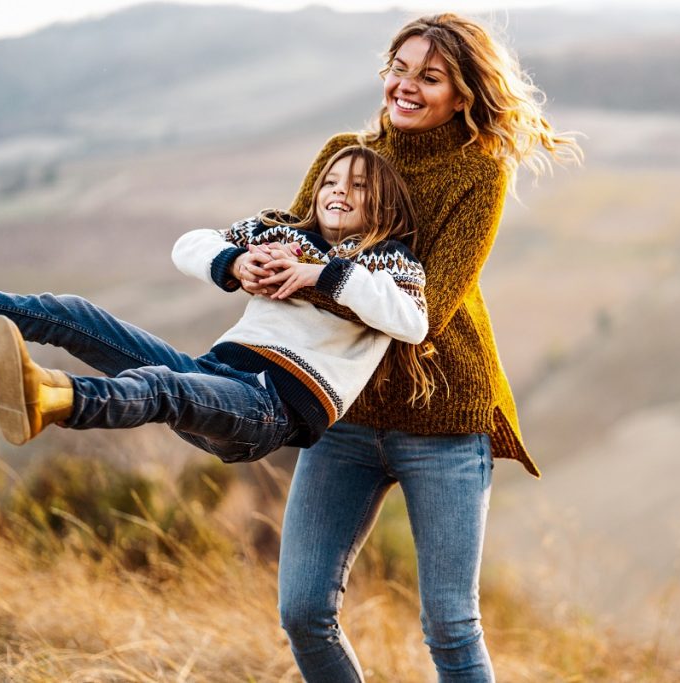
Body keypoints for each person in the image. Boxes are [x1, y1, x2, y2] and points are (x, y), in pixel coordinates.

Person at [225, 13, 582, 681]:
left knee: (449, 625)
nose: (406, 85)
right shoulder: (345, 152)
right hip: (345, 412)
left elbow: (428, 308)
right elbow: (301, 239)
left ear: (463, 94)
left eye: (431, 76)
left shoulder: (479, 175)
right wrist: (246, 258)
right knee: (303, 609)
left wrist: (316, 275)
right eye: (399, 67)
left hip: (444, 420)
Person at [0, 146, 430, 464]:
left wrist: (318, 274)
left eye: (358, 187)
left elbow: (411, 322)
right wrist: (234, 264)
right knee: (73, 313)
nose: (339, 192)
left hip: (269, 410)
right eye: (331, 183)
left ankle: (51, 399)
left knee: (159, 386)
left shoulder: (386, 262)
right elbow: (190, 244)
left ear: (382, 203)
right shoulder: (284, 233)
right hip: (214, 377)